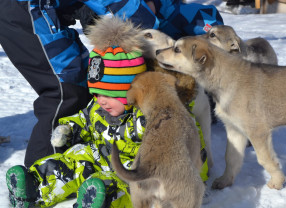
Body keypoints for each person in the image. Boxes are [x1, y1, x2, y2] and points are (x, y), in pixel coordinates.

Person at [0, 0, 223, 170]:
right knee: (66, 89)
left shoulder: (186, 16)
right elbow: (126, 10)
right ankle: (42, 173)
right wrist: (140, 19)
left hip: (46, 10)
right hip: (27, 9)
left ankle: (79, 157)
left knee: (81, 79)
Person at [5, 43, 210, 208]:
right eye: (97, 93)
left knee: (130, 186)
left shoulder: (157, 115)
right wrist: (69, 128)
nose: (101, 100)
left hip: (134, 169)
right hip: (98, 156)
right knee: (73, 160)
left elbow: (186, 146)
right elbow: (84, 119)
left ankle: (100, 202)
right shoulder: (98, 107)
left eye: (110, 95)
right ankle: (34, 184)